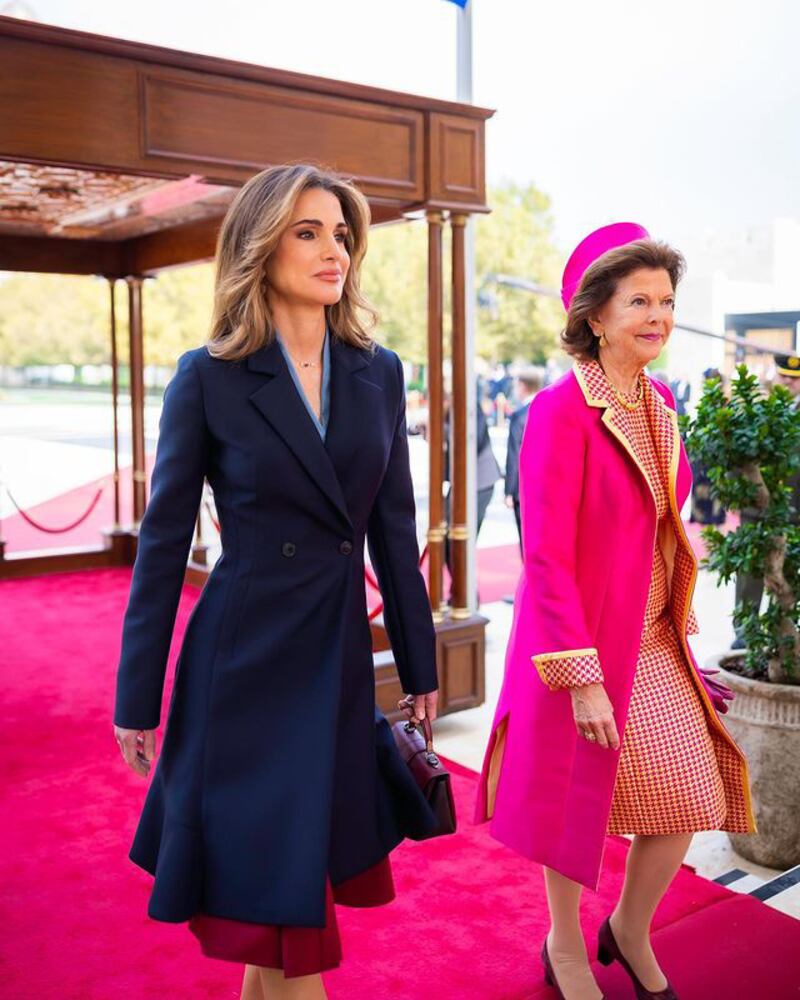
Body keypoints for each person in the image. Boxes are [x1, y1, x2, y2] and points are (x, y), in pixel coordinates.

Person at [113, 164, 439, 1000]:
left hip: (333, 661)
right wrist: (136, 698)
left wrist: (419, 666)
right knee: (280, 896)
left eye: (340, 233)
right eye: (308, 232)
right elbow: (160, 548)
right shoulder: (210, 376)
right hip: (243, 666)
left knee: (287, 902)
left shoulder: (378, 370)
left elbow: (394, 532)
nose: (334, 249)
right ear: (262, 247)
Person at [475, 223, 755, 1000]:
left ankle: (628, 929)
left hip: (656, 637)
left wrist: (680, 633)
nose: (658, 316)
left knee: (691, 790)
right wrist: (581, 676)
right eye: (639, 300)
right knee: (576, 803)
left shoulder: (661, 400)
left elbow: (664, 528)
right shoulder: (559, 412)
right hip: (582, 643)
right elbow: (547, 557)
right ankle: (564, 945)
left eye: (666, 300)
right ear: (594, 315)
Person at [732, 352, 800, 647]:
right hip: (755, 507)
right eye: (784, 376)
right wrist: (737, 492)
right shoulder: (753, 410)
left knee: (785, 573)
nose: (789, 382)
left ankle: (778, 634)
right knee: (750, 569)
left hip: (793, 509)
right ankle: (744, 634)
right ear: (775, 375)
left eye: (795, 379)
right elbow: (735, 454)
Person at [504, 366, 544, 555]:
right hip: (547, 486)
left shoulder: (519, 416)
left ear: (523, 386)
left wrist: (509, 491)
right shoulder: (550, 409)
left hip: (525, 488)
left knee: (526, 543)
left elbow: (514, 455)